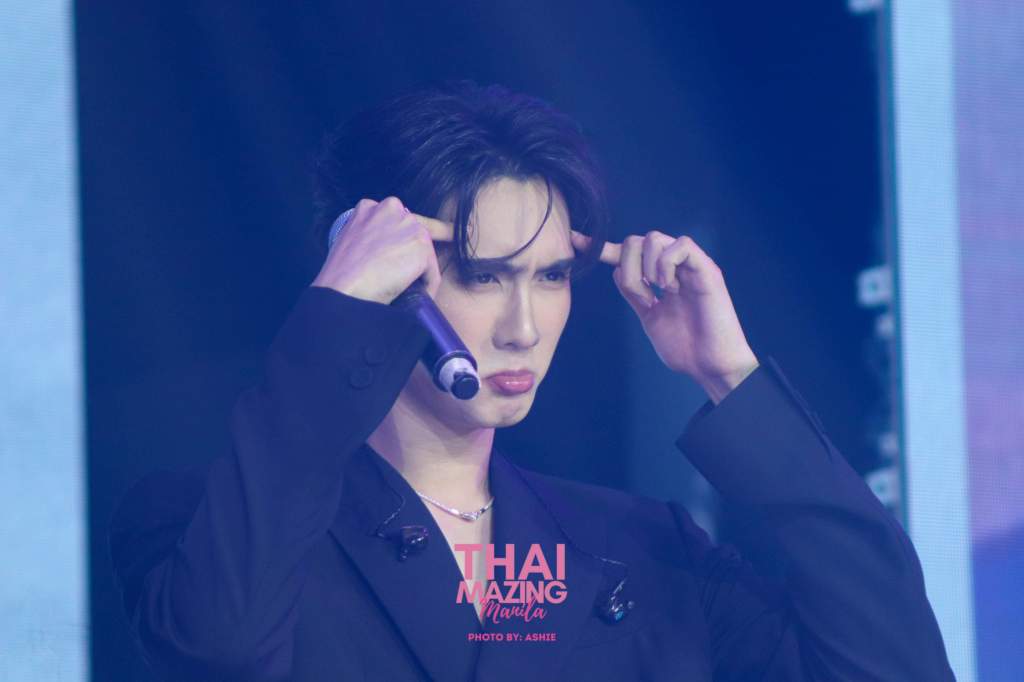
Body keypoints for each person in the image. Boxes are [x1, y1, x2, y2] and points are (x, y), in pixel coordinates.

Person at [109, 81, 954, 681]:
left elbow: (896, 668)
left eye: (550, 277)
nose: (524, 326)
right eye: (482, 276)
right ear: (387, 273)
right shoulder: (205, 525)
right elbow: (217, 651)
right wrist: (334, 318)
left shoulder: (645, 551)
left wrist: (732, 379)